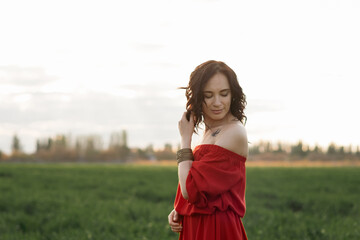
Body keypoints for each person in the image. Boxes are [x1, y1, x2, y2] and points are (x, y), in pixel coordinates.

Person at [168, 60, 248, 240]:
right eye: (208, 95)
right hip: (196, 224)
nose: (217, 102)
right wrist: (181, 208)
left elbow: (190, 189)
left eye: (224, 94)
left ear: (233, 95)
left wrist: (185, 139)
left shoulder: (234, 132)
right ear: (197, 97)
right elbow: (203, 188)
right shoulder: (209, 132)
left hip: (216, 228)